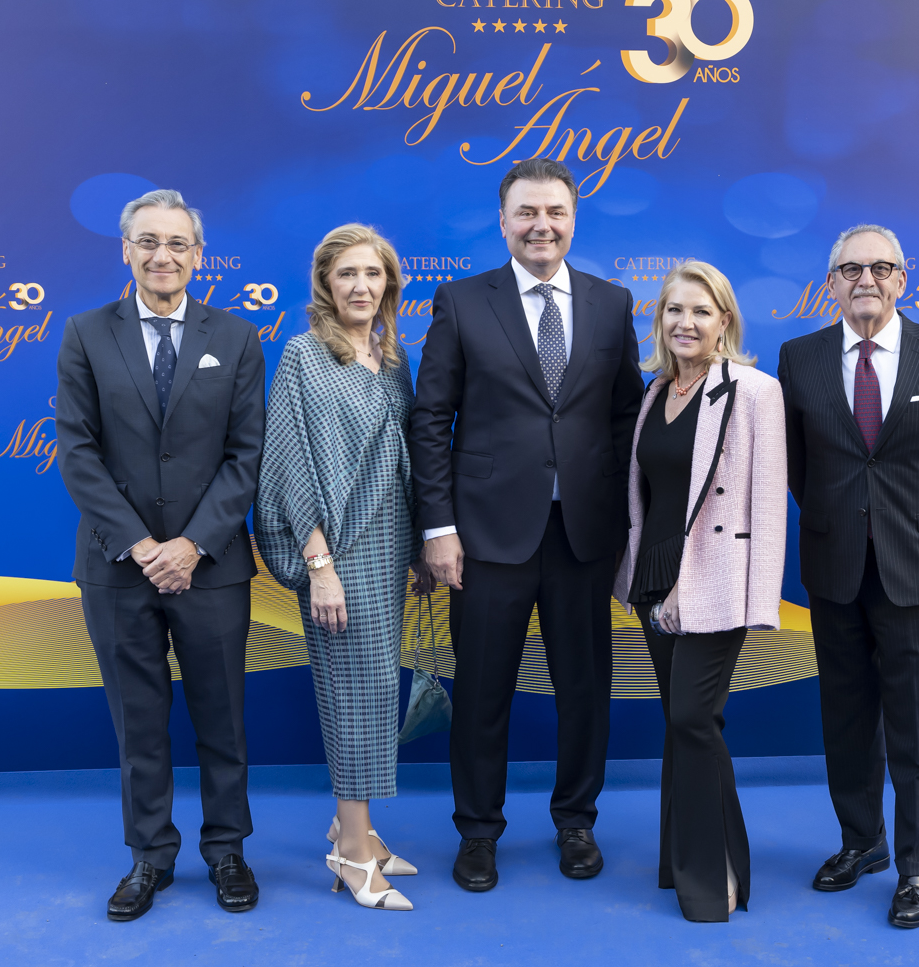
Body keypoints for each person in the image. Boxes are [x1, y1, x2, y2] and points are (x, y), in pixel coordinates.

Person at [409, 158, 644, 892]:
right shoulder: (461, 300)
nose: (542, 226)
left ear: (573, 219)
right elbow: (430, 419)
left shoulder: (612, 302)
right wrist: (438, 528)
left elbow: (625, 418)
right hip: (484, 537)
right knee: (482, 693)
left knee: (585, 690)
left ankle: (576, 821)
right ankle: (478, 831)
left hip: (584, 535)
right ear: (504, 221)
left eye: (555, 213)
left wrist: (628, 527)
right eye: (527, 213)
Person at [56, 189, 265, 922]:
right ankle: (150, 856)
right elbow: (77, 452)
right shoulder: (85, 333)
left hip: (212, 566)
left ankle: (228, 850)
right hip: (118, 567)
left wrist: (192, 544)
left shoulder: (237, 337)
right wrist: (145, 546)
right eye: (148, 241)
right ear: (126, 250)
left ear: (198, 255)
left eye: (177, 243)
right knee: (138, 723)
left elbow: (246, 454)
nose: (162, 255)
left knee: (222, 719)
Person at [777, 224, 919, 929]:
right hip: (834, 565)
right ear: (831, 283)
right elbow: (798, 467)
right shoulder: (799, 358)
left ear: (903, 278)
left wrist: (918, 527)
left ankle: (917, 867)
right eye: (850, 269)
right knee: (845, 717)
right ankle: (861, 842)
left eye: (880, 267)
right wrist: (844, 522)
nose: (865, 279)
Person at [256, 224, 431, 912]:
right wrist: (319, 564)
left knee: (376, 689)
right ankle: (352, 854)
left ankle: (353, 826)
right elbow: (288, 462)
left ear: (390, 283)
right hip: (337, 551)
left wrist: (419, 547)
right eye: (347, 274)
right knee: (354, 694)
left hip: (389, 548)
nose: (361, 286)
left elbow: (406, 457)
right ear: (325, 284)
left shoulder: (394, 357)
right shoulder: (304, 354)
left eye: (373, 273)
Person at [612, 261, 785, 922]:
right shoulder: (655, 391)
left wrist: (756, 601)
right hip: (653, 578)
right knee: (684, 723)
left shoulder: (754, 392)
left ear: (725, 321)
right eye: (674, 310)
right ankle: (689, 860)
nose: (685, 322)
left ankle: (717, 877)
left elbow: (768, 507)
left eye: (701, 311)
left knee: (692, 718)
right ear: (660, 319)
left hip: (714, 580)